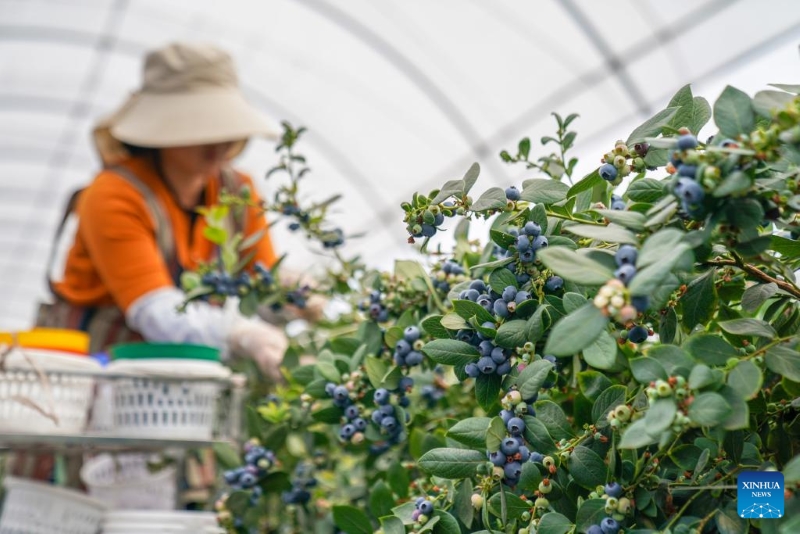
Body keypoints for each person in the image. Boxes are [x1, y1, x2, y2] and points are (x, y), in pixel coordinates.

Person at [38, 42, 288, 380]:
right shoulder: (113, 193)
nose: (221, 139)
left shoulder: (237, 195)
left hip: (190, 387)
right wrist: (240, 333)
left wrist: (293, 297)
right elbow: (156, 312)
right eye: (203, 125)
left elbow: (264, 289)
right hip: (95, 379)